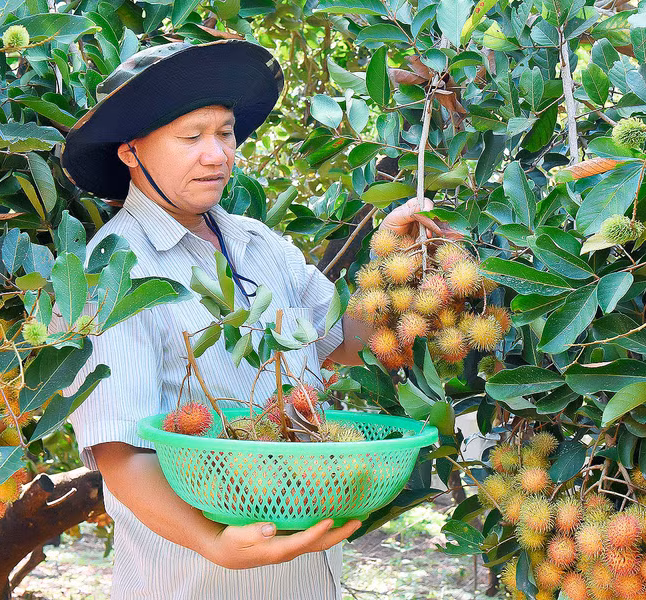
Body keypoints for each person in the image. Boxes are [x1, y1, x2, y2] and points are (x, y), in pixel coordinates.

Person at [51, 39, 445, 599]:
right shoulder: (113, 270)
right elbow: (122, 455)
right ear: (130, 152)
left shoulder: (258, 243)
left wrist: (396, 263)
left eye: (225, 133)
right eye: (192, 137)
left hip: (308, 574)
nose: (217, 155)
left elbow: (345, 341)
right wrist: (213, 542)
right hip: (193, 580)